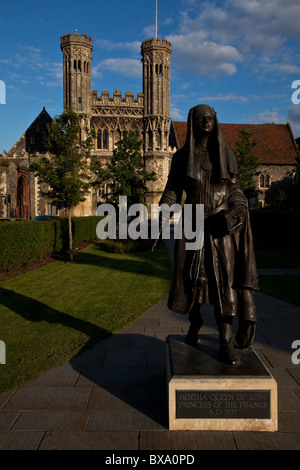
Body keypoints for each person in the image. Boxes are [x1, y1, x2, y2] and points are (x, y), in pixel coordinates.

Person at [159, 104, 258, 365]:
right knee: (193, 279)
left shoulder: (227, 155)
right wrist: (163, 212)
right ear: (192, 122)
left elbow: (235, 190)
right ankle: (195, 323)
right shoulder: (181, 157)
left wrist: (238, 207)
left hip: (219, 228)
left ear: (215, 121)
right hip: (192, 224)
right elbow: (172, 191)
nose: (205, 121)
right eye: (200, 118)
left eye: (210, 117)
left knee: (224, 283)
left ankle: (225, 343)